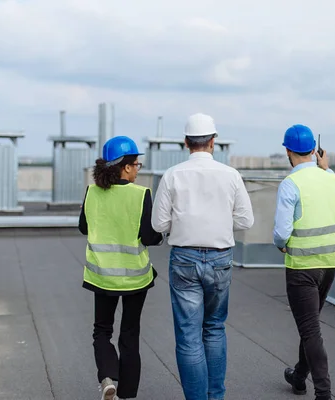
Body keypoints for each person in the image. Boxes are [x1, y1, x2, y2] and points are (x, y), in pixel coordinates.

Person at [151, 113, 254, 400]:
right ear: (213, 141)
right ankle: (215, 396)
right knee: (215, 328)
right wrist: (219, 220)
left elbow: (158, 225)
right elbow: (246, 221)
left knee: (188, 334)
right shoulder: (231, 175)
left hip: (184, 258)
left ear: (186, 143)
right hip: (220, 258)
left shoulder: (172, 175)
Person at [78, 136, 164, 400]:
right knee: (130, 332)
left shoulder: (92, 192)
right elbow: (150, 237)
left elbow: (84, 227)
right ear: (125, 167)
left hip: (101, 275)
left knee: (102, 330)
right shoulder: (140, 195)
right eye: (136, 164)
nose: (138, 169)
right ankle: (127, 392)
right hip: (135, 278)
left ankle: (107, 378)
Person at [273, 124, 335, 400]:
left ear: (288, 151)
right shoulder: (330, 179)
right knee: (310, 326)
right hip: (329, 265)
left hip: (302, 267)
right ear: (315, 151)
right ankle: (298, 376)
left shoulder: (290, 184)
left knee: (310, 330)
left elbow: (282, 232)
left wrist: (281, 245)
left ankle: (324, 393)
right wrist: (326, 168)